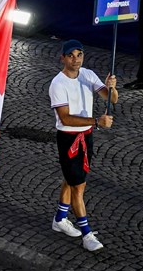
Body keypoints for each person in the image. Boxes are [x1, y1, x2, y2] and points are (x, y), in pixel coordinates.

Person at [49, 39, 118, 252]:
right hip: (69, 139)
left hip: (86, 137)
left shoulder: (87, 74)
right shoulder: (57, 84)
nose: (76, 59)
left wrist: (111, 88)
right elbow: (66, 118)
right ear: (63, 58)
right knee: (78, 185)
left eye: (79, 55)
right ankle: (87, 234)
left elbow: (111, 100)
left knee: (73, 180)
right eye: (71, 55)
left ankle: (60, 218)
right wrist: (96, 122)